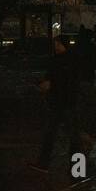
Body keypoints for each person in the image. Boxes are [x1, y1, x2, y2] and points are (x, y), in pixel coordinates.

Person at [31, 37, 81, 171]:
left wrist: (49, 85)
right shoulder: (66, 61)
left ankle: (44, 163)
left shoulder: (63, 61)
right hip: (62, 102)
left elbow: (63, 81)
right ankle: (77, 167)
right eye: (55, 44)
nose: (56, 46)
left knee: (59, 134)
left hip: (63, 102)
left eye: (58, 44)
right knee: (68, 134)